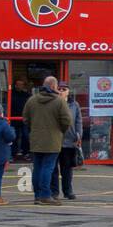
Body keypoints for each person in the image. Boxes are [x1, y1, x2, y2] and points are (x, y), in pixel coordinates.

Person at [22, 75, 72, 205]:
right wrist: (60, 130)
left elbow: (26, 119)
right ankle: (45, 195)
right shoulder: (59, 101)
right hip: (53, 139)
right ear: (54, 86)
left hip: (36, 140)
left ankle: (38, 195)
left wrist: (34, 129)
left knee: (37, 167)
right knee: (47, 168)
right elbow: (67, 120)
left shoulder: (32, 100)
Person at [50, 83, 82, 200]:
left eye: (64, 89)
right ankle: (54, 192)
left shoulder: (74, 105)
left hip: (69, 141)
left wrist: (79, 135)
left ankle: (68, 191)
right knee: (53, 168)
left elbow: (78, 121)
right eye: (59, 89)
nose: (62, 91)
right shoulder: (52, 103)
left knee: (67, 168)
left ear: (68, 91)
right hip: (54, 140)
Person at [9, 78, 31, 160]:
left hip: (24, 119)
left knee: (26, 136)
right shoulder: (11, 94)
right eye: (18, 84)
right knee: (14, 136)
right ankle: (13, 154)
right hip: (13, 119)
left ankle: (26, 152)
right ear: (15, 85)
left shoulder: (26, 95)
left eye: (21, 84)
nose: (20, 86)